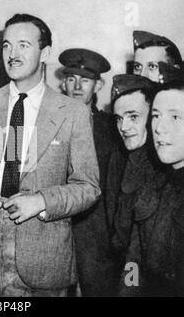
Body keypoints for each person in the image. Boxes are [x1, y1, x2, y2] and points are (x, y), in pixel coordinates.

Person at [0, 13, 100, 296]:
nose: (12, 54)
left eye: (23, 45)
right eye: (6, 45)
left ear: (45, 53)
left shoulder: (73, 113)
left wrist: (41, 201)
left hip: (44, 264)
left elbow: (89, 187)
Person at [59, 48, 119, 296]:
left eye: (85, 80)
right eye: (71, 78)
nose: (77, 86)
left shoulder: (111, 128)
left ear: (98, 84)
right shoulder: (51, 122)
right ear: (63, 83)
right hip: (59, 229)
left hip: (97, 235)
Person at [130, 62, 184, 296]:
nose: (159, 128)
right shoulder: (153, 186)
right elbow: (133, 265)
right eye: (155, 116)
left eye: (175, 117)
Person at [106, 74, 162, 295]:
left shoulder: (163, 167)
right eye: (119, 118)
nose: (124, 127)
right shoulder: (125, 159)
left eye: (133, 117)